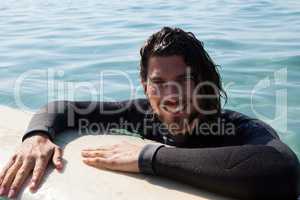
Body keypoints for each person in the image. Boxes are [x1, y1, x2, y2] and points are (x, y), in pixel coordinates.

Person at [0, 27, 299, 199]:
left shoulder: (234, 127)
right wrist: (37, 135)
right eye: (158, 84)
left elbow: (283, 170)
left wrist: (148, 158)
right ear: (145, 86)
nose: (170, 97)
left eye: (183, 81)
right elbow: (64, 109)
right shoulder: (142, 114)